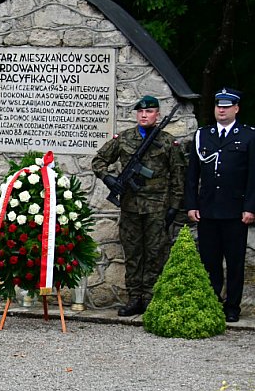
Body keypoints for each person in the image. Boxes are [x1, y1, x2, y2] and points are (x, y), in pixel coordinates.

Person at [92, 95, 185, 316]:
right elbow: (98, 161)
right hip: (130, 207)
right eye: (141, 112)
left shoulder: (167, 142)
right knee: (133, 253)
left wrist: (173, 206)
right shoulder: (124, 138)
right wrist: (109, 179)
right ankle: (134, 298)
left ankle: (150, 298)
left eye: (150, 111)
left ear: (157, 115)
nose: (144, 115)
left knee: (155, 253)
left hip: (157, 207)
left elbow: (178, 177)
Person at [185, 88, 255, 323]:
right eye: (218, 106)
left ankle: (232, 306)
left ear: (236, 109)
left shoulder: (248, 136)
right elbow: (192, 175)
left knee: (235, 261)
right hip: (208, 209)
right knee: (210, 260)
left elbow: (253, 176)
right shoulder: (203, 135)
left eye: (226, 106)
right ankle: (212, 300)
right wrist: (192, 204)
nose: (221, 110)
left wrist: (250, 207)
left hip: (235, 211)